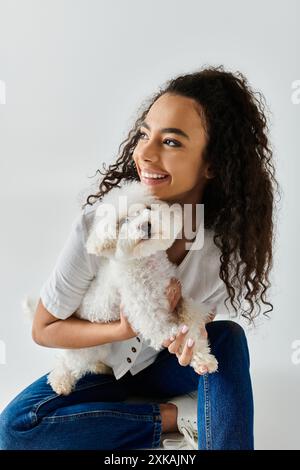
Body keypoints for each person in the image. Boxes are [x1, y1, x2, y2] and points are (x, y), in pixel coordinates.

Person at [0, 66, 278, 450]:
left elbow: (197, 321)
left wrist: (187, 337)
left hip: (161, 369)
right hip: (99, 367)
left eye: (172, 142)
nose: (144, 153)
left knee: (228, 338)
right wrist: (122, 329)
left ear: (213, 164)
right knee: (16, 429)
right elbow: (44, 328)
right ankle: (174, 418)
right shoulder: (101, 225)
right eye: (145, 134)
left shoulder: (221, 249)